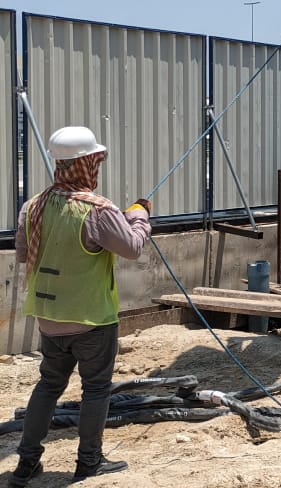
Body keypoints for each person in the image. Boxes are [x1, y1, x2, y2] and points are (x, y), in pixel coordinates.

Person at [9, 126, 151, 487]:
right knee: (96, 389)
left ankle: (26, 464)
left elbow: (25, 255)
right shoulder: (97, 209)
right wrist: (138, 214)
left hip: (49, 318)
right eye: (95, 161)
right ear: (88, 163)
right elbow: (133, 248)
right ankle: (89, 462)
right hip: (91, 319)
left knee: (48, 385)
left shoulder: (32, 206)